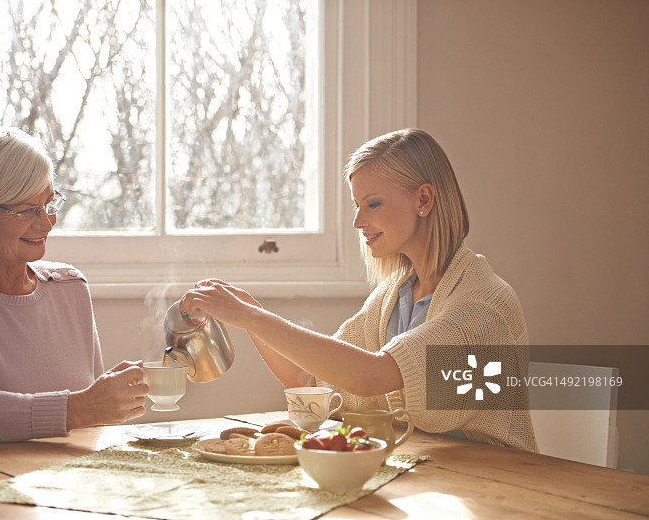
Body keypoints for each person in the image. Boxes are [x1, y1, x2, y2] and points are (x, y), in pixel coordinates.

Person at [180, 128, 537, 451]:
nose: (357, 221)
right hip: (432, 480)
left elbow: (370, 376)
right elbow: (313, 380)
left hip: (497, 486)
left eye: (373, 204)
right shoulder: (393, 296)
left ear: (424, 200)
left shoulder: (483, 305)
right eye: (357, 204)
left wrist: (251, 317)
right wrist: (249, 314)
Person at [0, 126, 149, 442]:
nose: (46, 223)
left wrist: (106, 404)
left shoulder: (70, 288)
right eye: (26, 210)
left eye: (49, 203)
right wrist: (75, 410)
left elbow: (95, 425)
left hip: (68, 483)